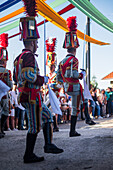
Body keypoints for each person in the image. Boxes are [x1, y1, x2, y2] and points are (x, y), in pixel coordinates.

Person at [13, 1, 63, 163]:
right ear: (32, 43)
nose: (37, 46)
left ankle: (48, 144)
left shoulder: (18, 58)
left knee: (48, 117)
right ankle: (28, 155)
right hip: (31, 95)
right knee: (34, 126)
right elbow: (29, 76)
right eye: (36, 43)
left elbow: (16, 78)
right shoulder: (28, 56)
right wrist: (44, 79)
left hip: (28, 95)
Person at [57, 16, 84, 137]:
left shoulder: (61, 61)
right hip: (75, 87)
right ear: (75, 49)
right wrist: (81, 75)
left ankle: (73, 130)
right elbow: (72, 74)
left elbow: (59, 76)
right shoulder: (74, 60)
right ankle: (72, 131)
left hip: (66, 86)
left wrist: (63, 83)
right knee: (75, 108)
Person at [0, 33, 13, 138]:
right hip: (4, 95)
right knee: (4, 111)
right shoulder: (6, 71)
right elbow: (10, 85)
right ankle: (1, 129)